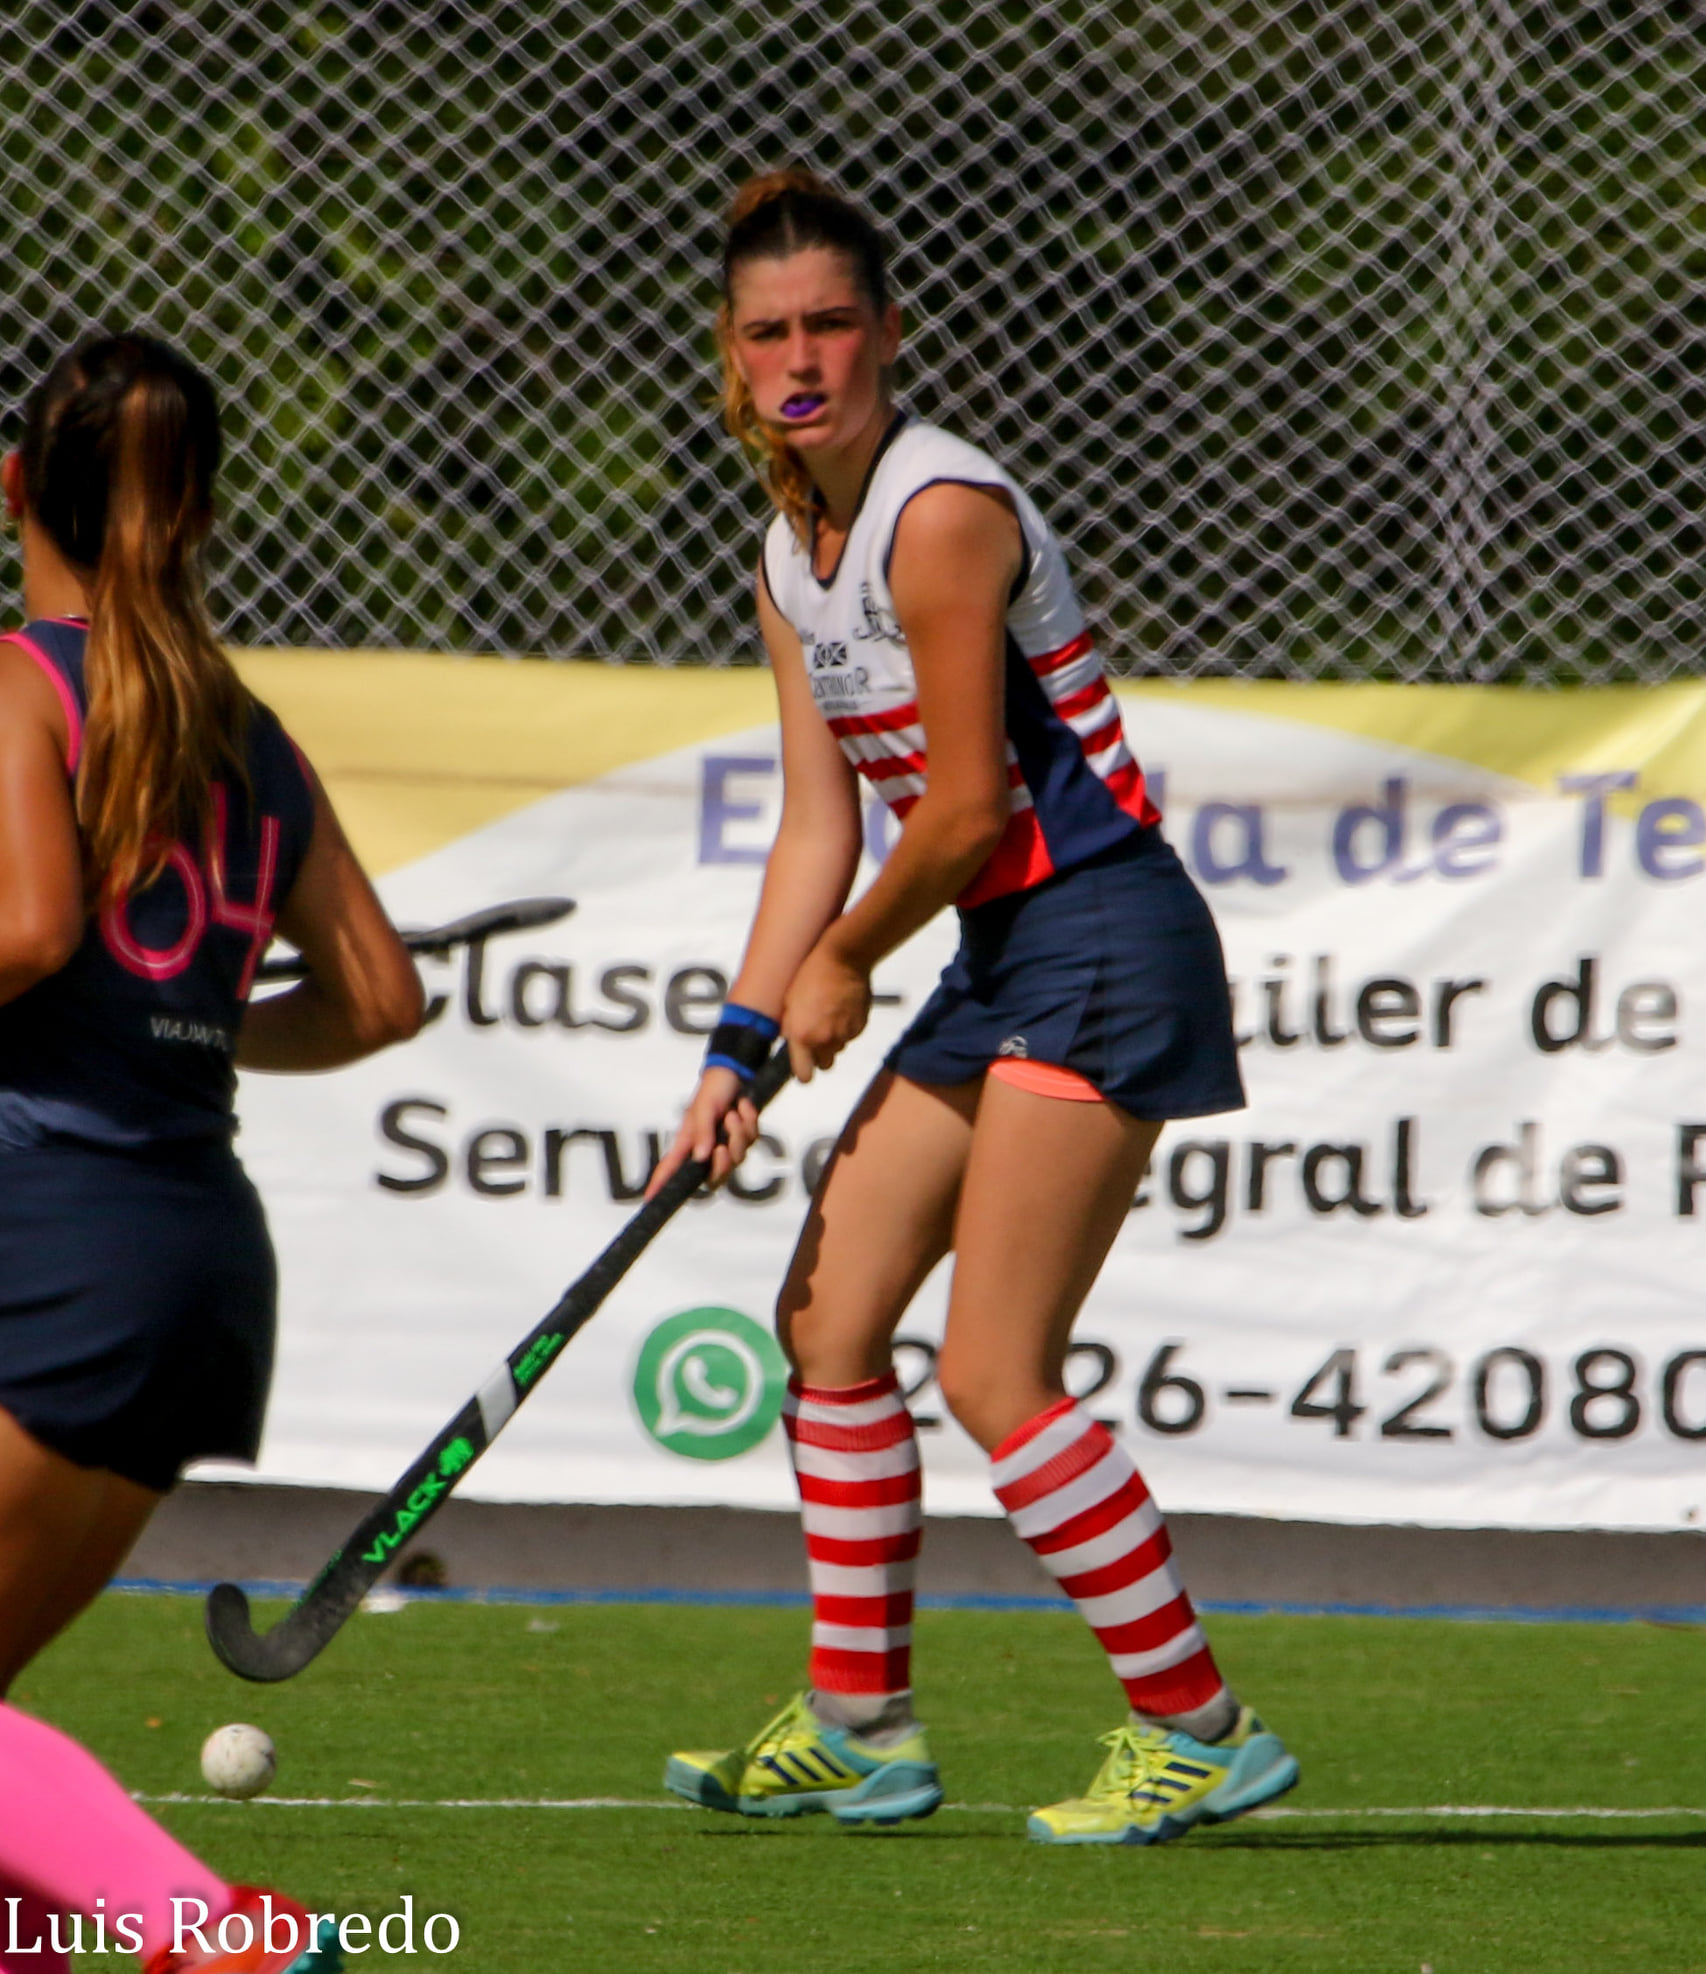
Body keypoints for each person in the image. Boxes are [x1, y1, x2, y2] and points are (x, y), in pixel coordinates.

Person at [655, 171, 1298, 1846]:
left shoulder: (940, 512)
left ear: (886, 335)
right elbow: (818, 826)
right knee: (829, 1321)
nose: (803, 359)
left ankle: (1197, 1726)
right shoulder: (789, 553)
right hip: (1001, 954)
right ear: (730, 358)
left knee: (998, 1370)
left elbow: (960, 814)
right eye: (767, 332)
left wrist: (845, 959)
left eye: (832, 324)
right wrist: (737, 1043)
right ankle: (862, 1726)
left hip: (1097, 932)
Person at [0, 335, 423, 1968]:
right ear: (194, 510)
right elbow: (379, 997)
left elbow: (31, 929)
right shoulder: (246, 727)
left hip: (56, 1230)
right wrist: (181, 1020)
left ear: (19, 486)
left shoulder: (26, 680)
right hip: (197, 1254)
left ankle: (222, 1932)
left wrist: (114, 1013)